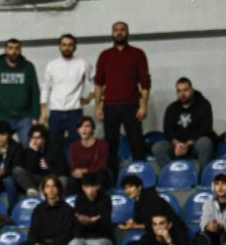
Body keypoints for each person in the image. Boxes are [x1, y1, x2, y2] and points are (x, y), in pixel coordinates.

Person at [94, 21, 151, 161]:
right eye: (116, 30)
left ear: (128, 33)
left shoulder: (138, 54)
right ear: (112, 33)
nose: (119, 32)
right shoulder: (105, 55)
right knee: (110, 145)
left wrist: (143, 106)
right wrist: (97, 106)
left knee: (137, 143)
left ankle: (140, 172)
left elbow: (145, 83)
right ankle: (112, 174)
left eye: (122, 30)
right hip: (110, 106)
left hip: (132, 105)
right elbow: (99, 83)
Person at [40, 33, 94, 173]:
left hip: (74, 112)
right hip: (56, 112)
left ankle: (78, 175)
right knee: (53, 147)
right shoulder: (52, 65)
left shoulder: (82, 63)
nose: (67, 48)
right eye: (64, 45)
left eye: (70, 45)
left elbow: (96, 82)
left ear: (75, 47)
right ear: (59, 46)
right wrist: (43, 111)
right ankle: (54, 176)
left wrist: (89, 98)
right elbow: (46, 88)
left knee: (78, 146)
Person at [154, 77, 215, 172]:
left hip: (195, 144)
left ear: (192, 90)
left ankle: (203, 177)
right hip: (177, 146)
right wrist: (177, 144)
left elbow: (206, 129)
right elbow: (168, 130)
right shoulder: (172, 108)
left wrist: (187, 144)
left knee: (205, 143)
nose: (182, 94)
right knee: (158, 148)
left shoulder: (203, 105)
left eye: (185, 90)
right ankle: (173, 174)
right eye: (179, 91)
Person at [68, 173, 114, 245]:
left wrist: (88, 222)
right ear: (83, 187)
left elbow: (105, 225)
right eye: (87, 187)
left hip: (102, 238)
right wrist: (89, 221)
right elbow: (77, 225)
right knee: (74, 244)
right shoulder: (79, 200)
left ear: (98, 186)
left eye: (93, 186)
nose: (90, 190)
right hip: (84, 237)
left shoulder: (105, 199)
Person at [68, 116, 108, 187]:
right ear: (78, 130)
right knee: (72, 181)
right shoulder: (73, 146)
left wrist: (86, 171)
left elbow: (101, 166)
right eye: (81, 127)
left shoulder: (102, 145)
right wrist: (80, 172)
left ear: (92, 129)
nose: (84, 130)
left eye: (87, 126)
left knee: (101, 176)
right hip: (81, 176)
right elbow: (73, 166)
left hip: (96, 175)